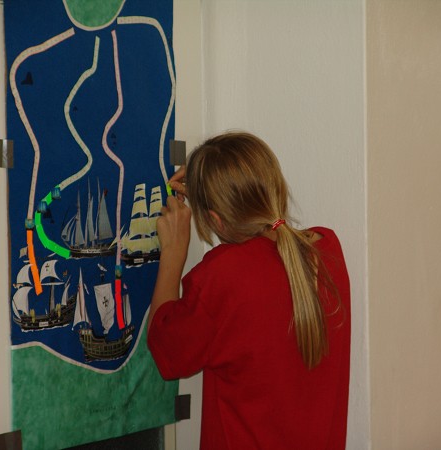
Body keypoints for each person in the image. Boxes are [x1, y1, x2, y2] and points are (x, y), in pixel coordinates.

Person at [147, 131, 351, 450]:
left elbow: (168, 352)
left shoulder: (224, 275)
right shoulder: (327, 251)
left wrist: (173, 253)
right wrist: (210, 181)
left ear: (216, 220)